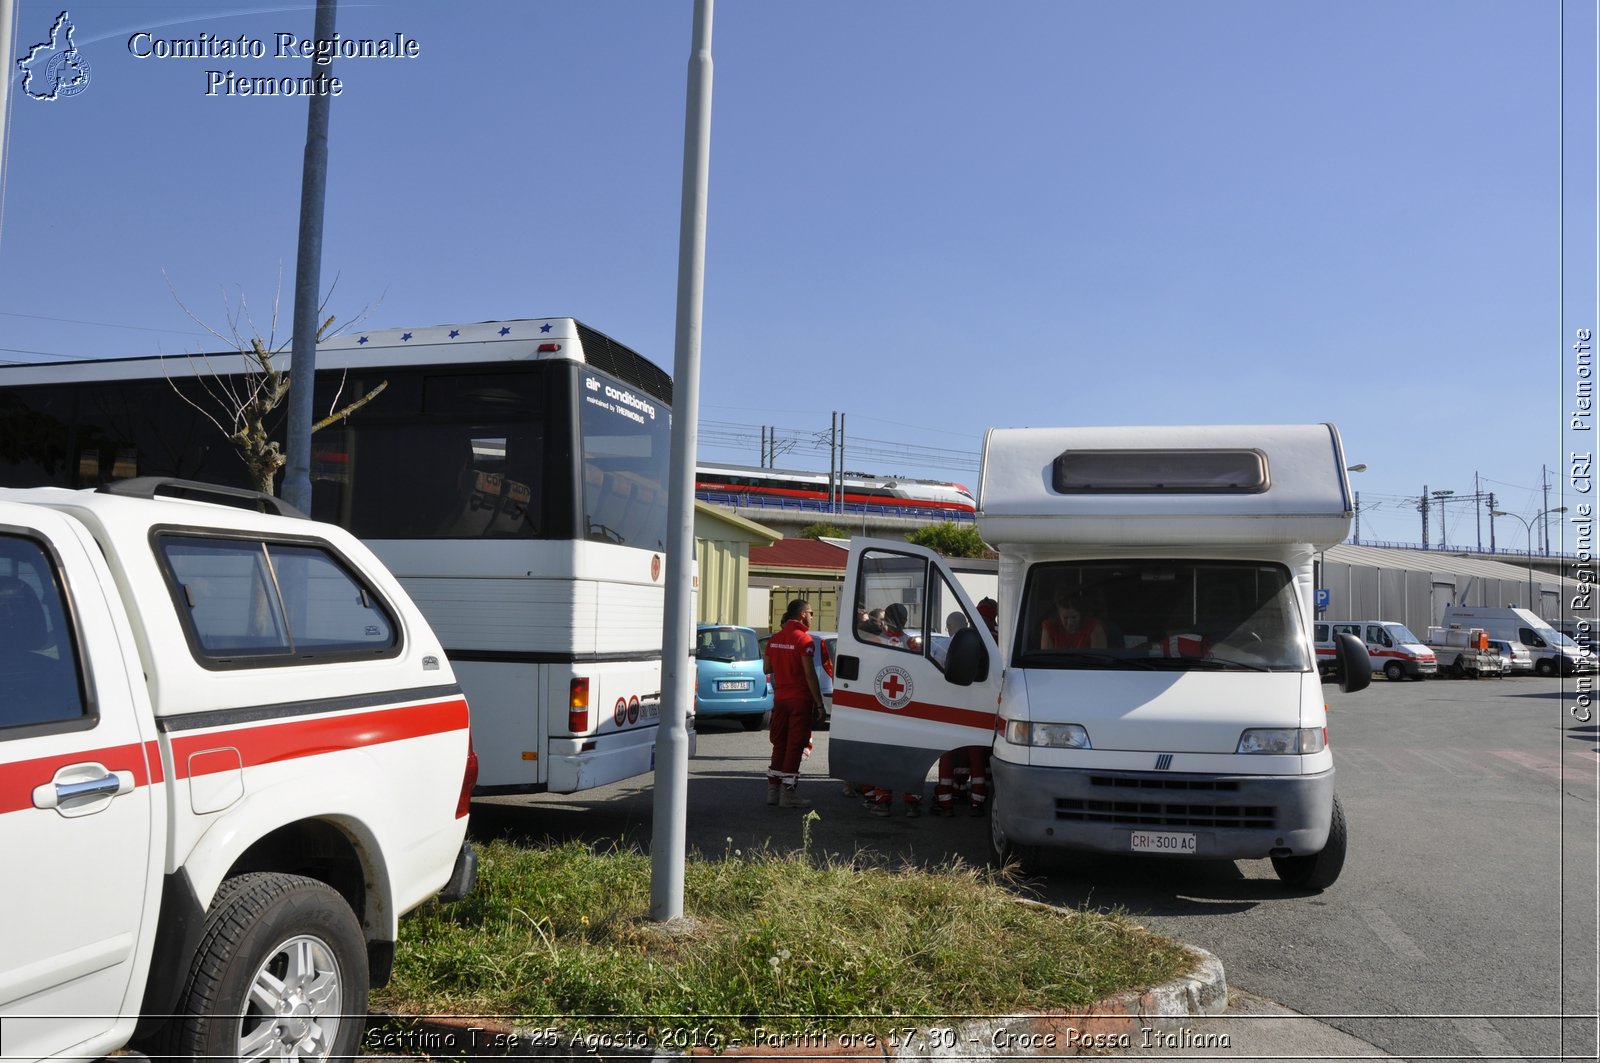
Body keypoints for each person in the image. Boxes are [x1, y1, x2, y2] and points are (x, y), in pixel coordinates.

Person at [764, 599, 824, 808]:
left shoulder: (774, 638)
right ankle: (788, 793)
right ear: (801, 615)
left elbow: (766, 668)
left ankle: (773, 791)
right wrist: (819, 703)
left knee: (779, 742)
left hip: (780, 699)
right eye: (811, 612)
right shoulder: (804, 640)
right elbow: (809, 675)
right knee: (795, 745)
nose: (812, 616)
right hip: (799, 699)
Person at [1040, 594, 1106, 650]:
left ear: (1081, 614)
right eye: (1065, 618)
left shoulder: (1093, 627)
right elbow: (1046, 660)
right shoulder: (1051, 627)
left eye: (1074, 617)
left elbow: (1099, 660)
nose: (1070, 622)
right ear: (1059, 615)